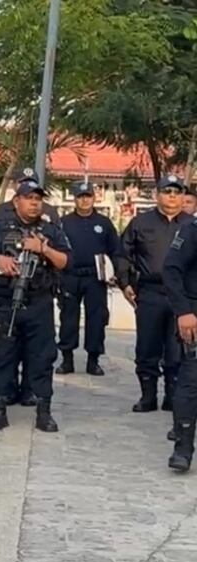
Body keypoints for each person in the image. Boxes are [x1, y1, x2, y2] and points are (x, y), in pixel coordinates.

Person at [0, 179, 71, 432]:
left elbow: (64, 261)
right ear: (16, 201)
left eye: (38, 199)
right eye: (29, 198)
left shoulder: (50, 230)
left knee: (42, 358)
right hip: (5, 303)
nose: (34, 203)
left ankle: (44, 412)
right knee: (3, 356)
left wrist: (43, 249)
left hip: (39, 302)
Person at [118, 174, 193, 413]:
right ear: (156, 195)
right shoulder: (141, 223)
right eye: (167, 192)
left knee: (177, 350)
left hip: (182, 296)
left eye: (177, 192)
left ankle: (172, 398)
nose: (172, 197)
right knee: (147, 347)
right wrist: (125, 283)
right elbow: (122, 254)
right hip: (150, 292)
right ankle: (147, 397)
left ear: (183, 196)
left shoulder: (191, 225)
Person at [57, 182, 120, 376]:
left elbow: (115, 250)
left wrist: (114, 273)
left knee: (97, 318)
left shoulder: (104, 223)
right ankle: (67, 359)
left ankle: (93, 360)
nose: (84, 200)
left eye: (88, 196)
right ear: (74, 199)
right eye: (80, 196)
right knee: (68, 318)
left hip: (95, 277)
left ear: (94, 198)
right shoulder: (64, 222)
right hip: (70, 275)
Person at [163, 213, 197, 470]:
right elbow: (171, 269)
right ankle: (183, 449)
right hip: (194, 315)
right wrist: (183, 311)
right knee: (191, 382)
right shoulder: (192, 229)